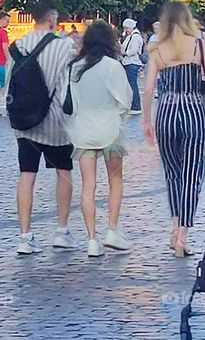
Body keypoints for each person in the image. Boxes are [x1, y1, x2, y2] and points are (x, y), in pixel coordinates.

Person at [143, 2, 205, 257]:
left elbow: (149, 88)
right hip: (193, 111)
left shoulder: (157, 49)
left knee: (173, 174)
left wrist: (146, 121)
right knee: (192, 173)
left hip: (167, 112)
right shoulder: (197, 44)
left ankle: (174, 225)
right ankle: (182, 234)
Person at [7, 2, 77, 254]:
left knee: (27, 174)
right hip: (55, 122)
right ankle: (61, 231)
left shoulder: (17, 46)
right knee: (64, 172)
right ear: (51, 17)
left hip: (24, 122)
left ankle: (25, 237)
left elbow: (9, 83)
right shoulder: (64, 46)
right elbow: (69, 84)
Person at [64, 21, 131, 256]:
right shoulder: (113, 67)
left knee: (87, 186)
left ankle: (91, 239)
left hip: (83, 132)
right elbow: (125, 100)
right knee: (115, 181)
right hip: (110, 131)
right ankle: (112, 229)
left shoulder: (75, 67)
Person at [120, 18, 145, 115]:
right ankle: (133, 105)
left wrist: (125, 53)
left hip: (131, 62)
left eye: (126, 28)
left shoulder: (134, 37)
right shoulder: (132, 36)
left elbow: (133, 50)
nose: (125, 30)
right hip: (129, 62)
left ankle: (135, 105)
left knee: (132, 84)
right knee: (131, 84)